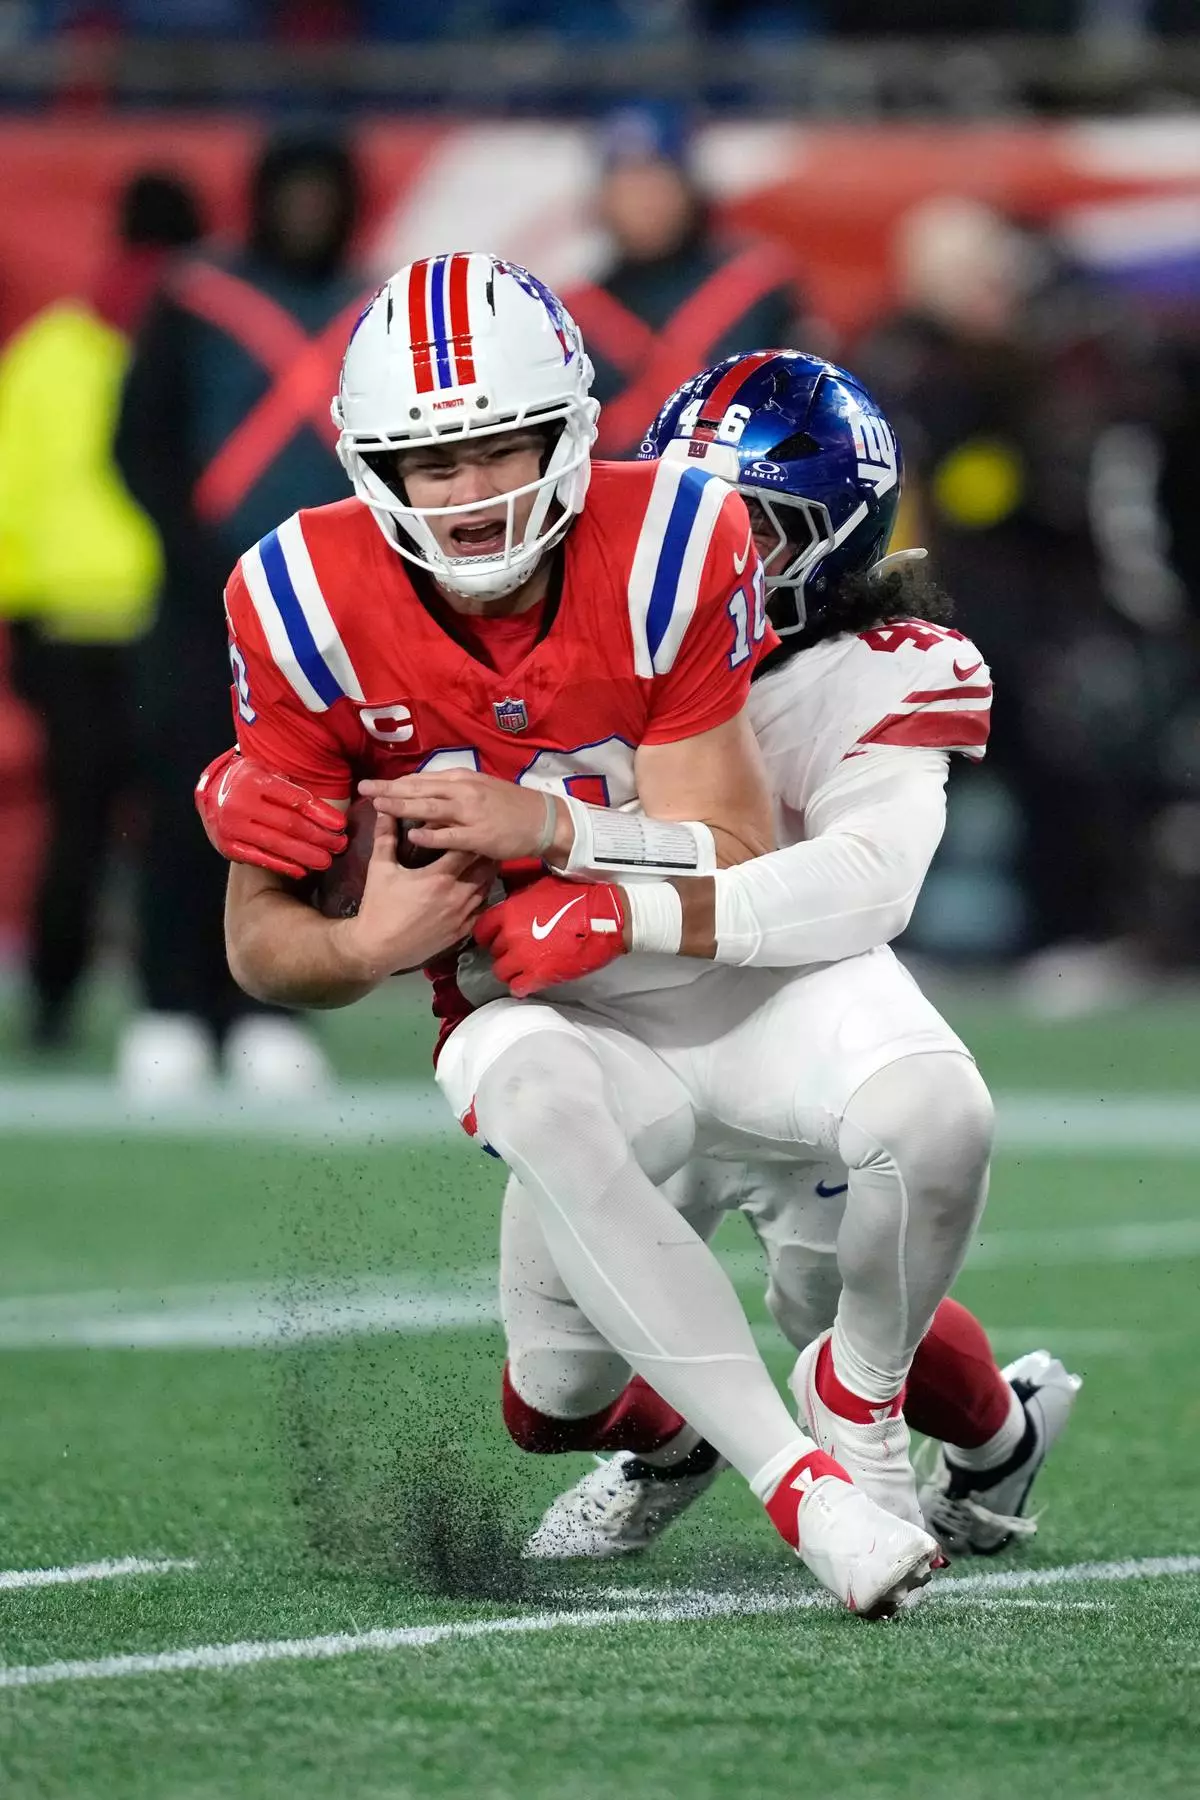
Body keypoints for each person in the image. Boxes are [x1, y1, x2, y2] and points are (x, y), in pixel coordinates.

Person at [198, 349, 1078, 1567]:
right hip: (602, 1025)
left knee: (832, 1297)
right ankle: (682, 1441)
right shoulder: (606, 590)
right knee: (550, 1399)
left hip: (783, 1020)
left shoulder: (878, 669)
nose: (721, 547)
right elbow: (456, 735)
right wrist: (253, 787)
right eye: (692, 504)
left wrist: (612, 903)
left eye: (756, 526)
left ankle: (983, 1439)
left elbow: (852, 881)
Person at [114, 131, 367, 1095]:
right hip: (199, 610)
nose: (307, 209)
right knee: (184, 803)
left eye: (323, 191)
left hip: (325, 615)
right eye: (292, 191)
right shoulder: (196, 297)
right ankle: (168, 1005)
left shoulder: (377, 308)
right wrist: (202, 564)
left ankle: (268, 1009)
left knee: (308, 808)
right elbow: (138, 443)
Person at [0, 171, 203, 1049]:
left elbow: (10, 490)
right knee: (184, 823)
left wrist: (22, 613)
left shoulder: (51, 349)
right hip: (172, 615)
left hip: (69, 623)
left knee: (80, 823)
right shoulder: (200, 336)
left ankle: (55, 1003)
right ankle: (182, 1003)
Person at [563, 105, 800, 459]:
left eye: (655, 179)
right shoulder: (576, 315)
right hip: (622, 487)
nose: (642, 200)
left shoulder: (759, 287)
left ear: (687, 186)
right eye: (626, 183)